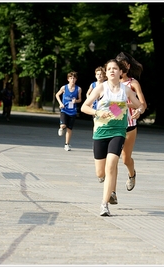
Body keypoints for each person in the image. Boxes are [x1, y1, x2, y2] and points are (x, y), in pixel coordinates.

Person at [81, 59, 145, 216]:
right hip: (101, 132)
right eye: (109, 69)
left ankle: (104, 204)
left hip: (118, 132)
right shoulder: (101, 88)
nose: (112, 71)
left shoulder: (126, 90)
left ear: (120, 72)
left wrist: (138, 111)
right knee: (100, 173)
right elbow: (84, 107)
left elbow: (140, 105)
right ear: (106, 72)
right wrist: (97, 112)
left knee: (112, 164)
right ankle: (106, 186)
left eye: (115, 69)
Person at [115, 52, 147, 195]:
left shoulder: (133, 83)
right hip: (114, 126)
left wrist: (137, 110)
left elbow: (142, 104)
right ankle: (111, 192)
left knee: (125, 159)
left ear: (127, 66)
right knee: (112, 158)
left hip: (129, 126)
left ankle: (131, 174)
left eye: (123, 65)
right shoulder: (111, 84)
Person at [55, 71, 82, 151]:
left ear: (76, 79)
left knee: (69, 129)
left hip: (72, 111)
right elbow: (57, 95)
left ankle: (67, 144)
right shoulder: (64, 88)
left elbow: (80, 99)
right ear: (68, 79)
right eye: (71, 78)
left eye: (74, 78)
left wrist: (76, 101)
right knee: (63, 125)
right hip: (64, 110)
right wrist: (60, 103)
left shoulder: (78, 89)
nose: (72, 80)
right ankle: (61, 128)